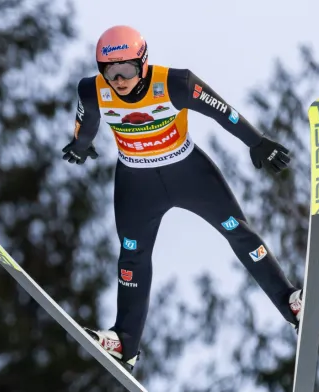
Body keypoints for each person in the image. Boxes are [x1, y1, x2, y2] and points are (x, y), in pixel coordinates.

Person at [63, 25, 303, 372]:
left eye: (127, 69)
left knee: (238, 231)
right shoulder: (92, 90)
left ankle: (290, 303)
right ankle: (125, 343)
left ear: (143, 63)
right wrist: (81, 147)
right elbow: (87, 122)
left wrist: (257, 142)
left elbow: (223, 111)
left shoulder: (175, 83)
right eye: (110, 71)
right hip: (136, 183)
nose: (119, 80)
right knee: (132, 256)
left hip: (189, 173)